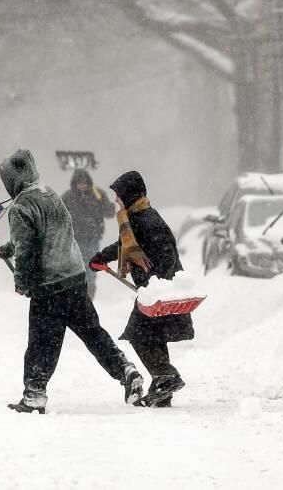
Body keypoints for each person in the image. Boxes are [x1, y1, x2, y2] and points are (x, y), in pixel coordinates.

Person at [0, 149, 144, 414]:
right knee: (93, 334)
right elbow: (45, 233)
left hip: (49, 286)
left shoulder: (21, 207)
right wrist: (10, 248)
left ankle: (34, 395)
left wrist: (22, 281)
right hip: (74, 280)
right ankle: (127, 371)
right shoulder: (49, 194)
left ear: (12, 180)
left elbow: (28, 246)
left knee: (41, 343)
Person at [89, 171, 194, 408]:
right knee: (153, 336)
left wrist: (156, 283)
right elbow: (126, 245)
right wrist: (102, 257)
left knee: (139, 334)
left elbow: (167, 254)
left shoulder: (147, 220)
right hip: (155, 289)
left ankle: (166, 377)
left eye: (119, 195)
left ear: (130, 195)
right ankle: (163, 389)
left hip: (160, 290)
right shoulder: (137, 217)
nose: (116, 200)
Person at [61, 168, 116, 298]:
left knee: (91, 269)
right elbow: (59, 216)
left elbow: (110, 213)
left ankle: (89, 297)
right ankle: (76, 297)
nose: (82, 185)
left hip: (92, 240)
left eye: (85, 183)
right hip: (74, 241)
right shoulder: (68, 197)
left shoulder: (97, 194)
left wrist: (108, 206)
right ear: (74, 183)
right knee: (75, 270)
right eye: (79, 183)